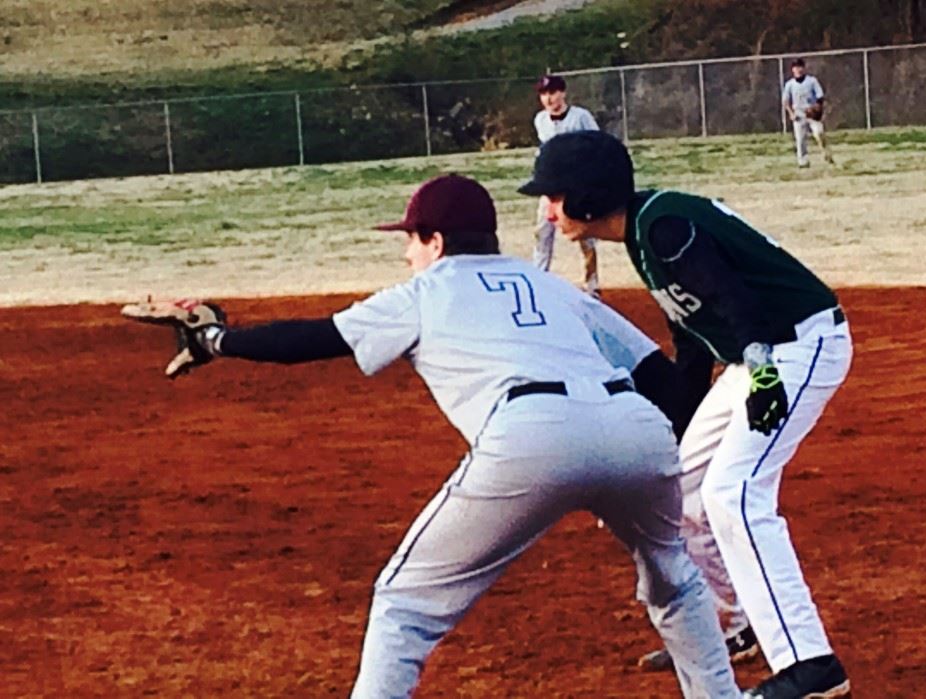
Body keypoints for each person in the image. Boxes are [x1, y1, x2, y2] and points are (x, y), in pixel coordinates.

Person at [122, 174, 742, 698]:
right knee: (674, 579)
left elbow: (314, 340)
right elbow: (668, 386)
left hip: (530, 435)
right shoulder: (556, 289)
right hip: (635, 428)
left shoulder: (427, 290)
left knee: (405, 604)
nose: (406, 254)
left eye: (411, 240)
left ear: (436, 241)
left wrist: (217, 341)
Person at [519, 132, 853, 699]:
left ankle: (811, 665)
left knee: (735, 493)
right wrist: (669, 435)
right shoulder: (645, 234)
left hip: (795, 349)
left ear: (589, 196)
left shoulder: (664, 225)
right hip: (758, 356)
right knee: (687, 490)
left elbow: (731, 298)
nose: (548, 211)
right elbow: (694, 342)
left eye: (554, 196)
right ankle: (734, 623)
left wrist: (764, 372)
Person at [532, 74, 601, 296]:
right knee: (542, 232)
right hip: (551, 185)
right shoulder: (540, 120)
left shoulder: (580, 117)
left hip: (577, 184)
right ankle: (539, 280)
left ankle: (592, 285)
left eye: (552, 92)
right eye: (544, 94)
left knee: (585, 234)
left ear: (563, 93)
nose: (549, 98)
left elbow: (597, 143)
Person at [781, 58, 834, 168]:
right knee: (800, 140)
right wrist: (791, 113)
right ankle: (803, 162)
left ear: (804, 68)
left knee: (819, 133)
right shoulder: (789, 84)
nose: (798, 69)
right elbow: (785, 101)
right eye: (796, 67)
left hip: (812, 114)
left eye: (800, 67)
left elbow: (820, 97)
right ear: (792, 70)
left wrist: (816, 109)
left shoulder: (812, 81)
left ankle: (826, 153)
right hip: (798, 114)